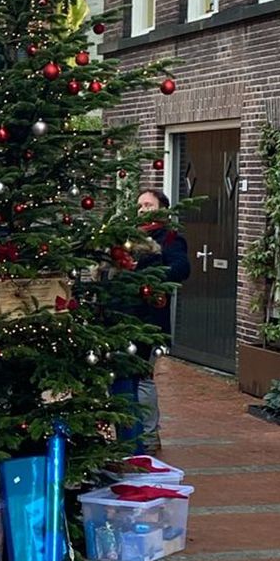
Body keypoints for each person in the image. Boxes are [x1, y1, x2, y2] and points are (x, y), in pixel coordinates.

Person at [126, 189, 191, 454]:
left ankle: (149, 436)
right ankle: (127, 432)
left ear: (162, 209)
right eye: (140, 205)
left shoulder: (170, 239)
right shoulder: (127, 237)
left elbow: (181, 268)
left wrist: (149, 275)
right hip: (121, 317)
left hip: (149, 319)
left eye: (149, 205)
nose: (142, 209)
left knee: (142, 377)